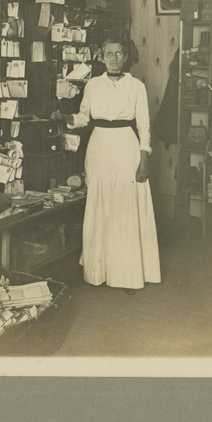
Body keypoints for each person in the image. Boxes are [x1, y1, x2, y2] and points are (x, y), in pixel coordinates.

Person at [53, 37, 160, 294]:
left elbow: (144, 126)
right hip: (99, 146)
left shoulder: (136, 86)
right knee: (101, 204)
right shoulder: (93, 84)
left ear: (126, 57)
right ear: (101, 57)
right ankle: (98, 270)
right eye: (108, 54)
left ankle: (127, 273)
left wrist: (143, 158)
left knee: (125, 206)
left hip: (127, 146)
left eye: (119, 54)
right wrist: (67, 117)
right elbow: (83, 117)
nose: (114, 58)